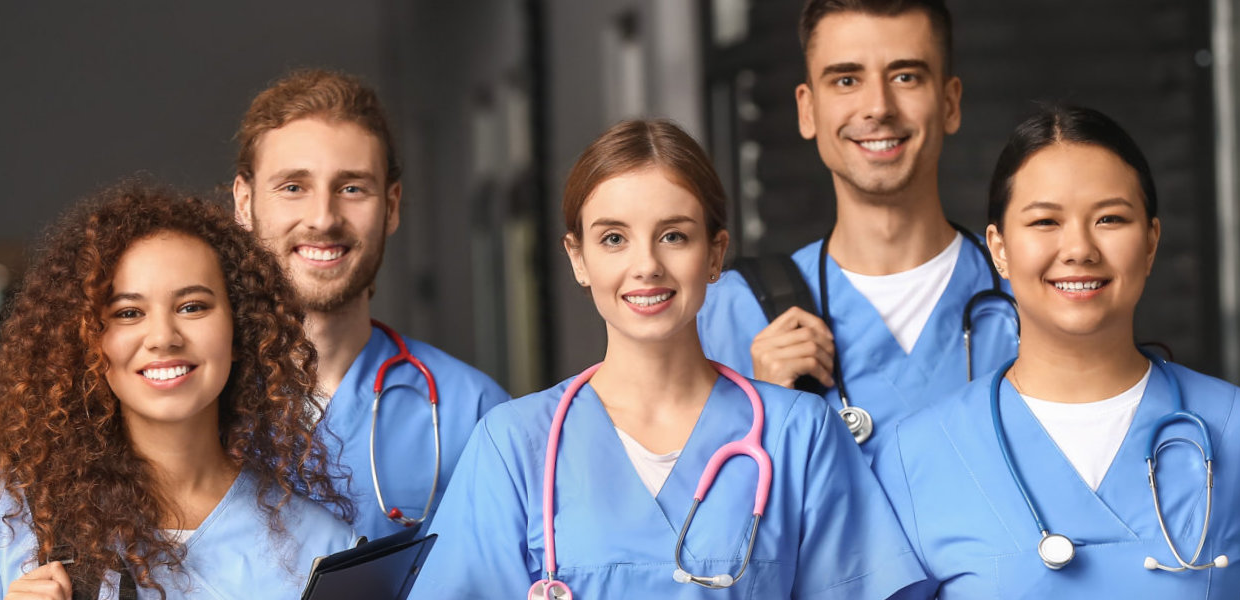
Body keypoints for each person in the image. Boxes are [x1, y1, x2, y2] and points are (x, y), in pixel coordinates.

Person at [414, 120, 924, 599]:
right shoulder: (512, 445)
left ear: (716, 254)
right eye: (614, 239)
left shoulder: (800, 433)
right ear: (578, 258)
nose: (646, 266)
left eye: (674, 236)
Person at [873, 105, 1240, 599]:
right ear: (999, 249)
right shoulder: (919, 455)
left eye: (1110, 218)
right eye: (1044, 222)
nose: (1079, 248)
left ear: (1150, 242)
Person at [0, 181, 358, 599]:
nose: (163, 337)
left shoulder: (324, 553)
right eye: (127, 313)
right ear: (87, 340)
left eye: (192, 306)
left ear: (240, 331)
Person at [697, 0, 1016, 460]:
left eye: (905, 76)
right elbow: (697, 520)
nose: (878, 107)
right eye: (846, 80)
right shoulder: (729, 313)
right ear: (807, 110)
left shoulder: (1029, 300)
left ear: (950, 103)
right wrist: (763, 413)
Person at [231, 69, 511, 539]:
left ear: (393, 205)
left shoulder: (473, 413)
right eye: (293, 187)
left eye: (352, 188)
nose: (323, 218)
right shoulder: (196, 397)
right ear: (244, 202)